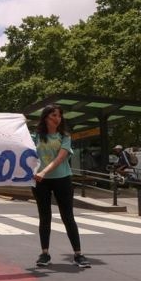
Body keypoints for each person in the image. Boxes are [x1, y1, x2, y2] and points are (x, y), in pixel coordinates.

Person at [32, 104, 90, 268]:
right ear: (45, 118)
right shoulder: (35, 136)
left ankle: (78, 254)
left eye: (59, 116)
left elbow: (60, 158)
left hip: (62, 178)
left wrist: (44, 172)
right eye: (53, 116)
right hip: (40, 181)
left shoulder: (64, 136)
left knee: (68, 216)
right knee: (45, 217)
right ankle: (44, 254)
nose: (57, 119)